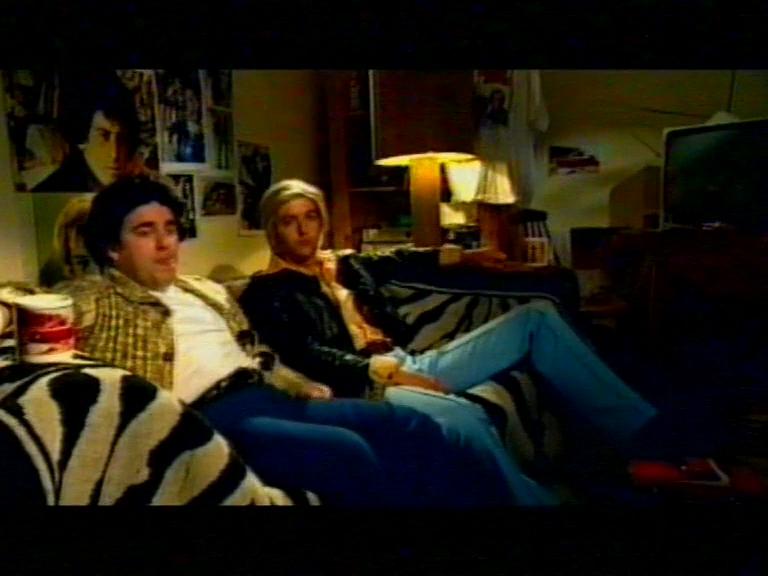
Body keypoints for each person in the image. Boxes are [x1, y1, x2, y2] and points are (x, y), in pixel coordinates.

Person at [238, 179, 729, 502]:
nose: (302, 230)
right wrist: (389, 373)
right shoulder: (268, 290)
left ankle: (651, 443)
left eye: (310, 217)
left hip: (412, 358)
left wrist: (465, 257)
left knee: (536, 317)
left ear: (322, 219)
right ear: (272, 228)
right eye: (289, 220)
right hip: (369, 382)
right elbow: (305, 353)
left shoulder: (344, 264)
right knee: (466, 414)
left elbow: (407, 258)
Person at [54, 174, 524, 507]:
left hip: (268, 396)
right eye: (145, 232)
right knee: (347, 452)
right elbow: (40, 308)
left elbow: (255, 352)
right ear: (112, 248)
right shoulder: (100, 296)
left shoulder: (204, 290)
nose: (165, 244)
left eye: (170, 230)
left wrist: (297, 384)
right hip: (208, 416)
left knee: (409, 425)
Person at [32, 80, 140, 192]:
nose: (114, 154)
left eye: (122, 138)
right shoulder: (52, 191)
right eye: (103, 136)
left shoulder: (137, 187)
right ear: (83, 139)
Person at [38, 196, 99, 287]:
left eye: (82, 230)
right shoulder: (53, 267)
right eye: (70, 229)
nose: (73, 237)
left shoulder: (106, 265)